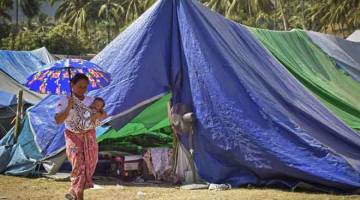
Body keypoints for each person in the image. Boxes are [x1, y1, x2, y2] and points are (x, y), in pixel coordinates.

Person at [55, 73, 107, 200]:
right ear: (72, 85)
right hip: (73, 135)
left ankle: (74, 190)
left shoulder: (91, 100)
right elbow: (58, 120)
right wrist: (68, 107)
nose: (82, 89)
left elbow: (103, 114)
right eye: (79, 86)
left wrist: (97, 115)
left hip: (89, 135)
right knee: (78, 163)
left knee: (90, 163)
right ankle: (79, 194)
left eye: (85, 87)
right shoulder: (64, 100)